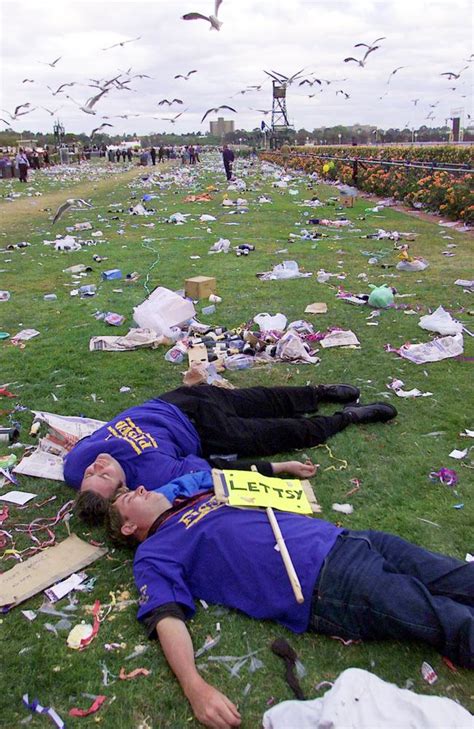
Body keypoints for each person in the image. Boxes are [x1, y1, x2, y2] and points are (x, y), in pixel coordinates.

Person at [105, 473, 474, 728]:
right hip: (327, 583)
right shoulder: (154, 553)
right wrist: (195, 687)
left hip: (347, 539)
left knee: (457, 577)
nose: (139, 489)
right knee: (448, 620)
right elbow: (166, 616)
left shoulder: (193, 499)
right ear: (127, 527)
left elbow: (233, 478)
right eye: (127, 498)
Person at [64, 383, 396, 522]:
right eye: (103, 474)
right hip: (207, 431)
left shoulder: (75, 466)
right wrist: (276, 468)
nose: (97, 464)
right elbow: (216, 471)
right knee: (281, 433)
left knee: (260, 398)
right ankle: (348, 417)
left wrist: (90, 476)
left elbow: (83, 454)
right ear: (123, 490)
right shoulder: (155, 477)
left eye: (90, 474)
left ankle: (320, 392)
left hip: (174, 401)